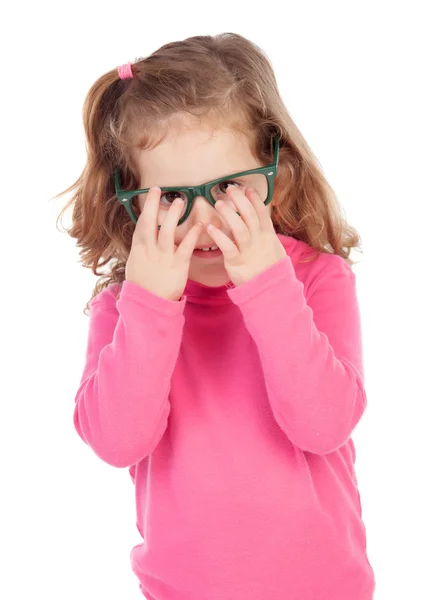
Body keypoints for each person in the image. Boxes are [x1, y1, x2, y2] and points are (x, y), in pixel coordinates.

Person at [55, 32, 376, 600]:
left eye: (229, 187)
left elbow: (324, 425)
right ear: (130, 199)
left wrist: (267, 284)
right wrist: (151, 304)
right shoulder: (124, 306)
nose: (203, 221)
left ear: (281, 173)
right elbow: (116, 443)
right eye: (173, 199)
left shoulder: (318, 279)